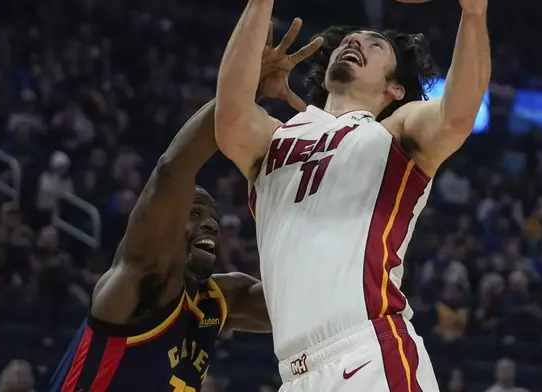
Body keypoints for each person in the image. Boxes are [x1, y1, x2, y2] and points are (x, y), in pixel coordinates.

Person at [214, 0, 490, 390]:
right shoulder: (274, 140)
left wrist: (474, 14)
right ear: (324, 76)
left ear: (395, 88)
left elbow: (458, 115)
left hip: (370, 351)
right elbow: (228, 116)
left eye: (374, 44)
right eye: (349, 39)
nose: (355, 42)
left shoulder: (395, 132)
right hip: (294, 373)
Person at [49, 21, 322, 392]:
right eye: (194, 213)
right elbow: (172, 169)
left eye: (212, 217)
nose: (210, 224)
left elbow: (301, 306)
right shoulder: (138, 280)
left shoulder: (216, 301)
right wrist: (243, 92)